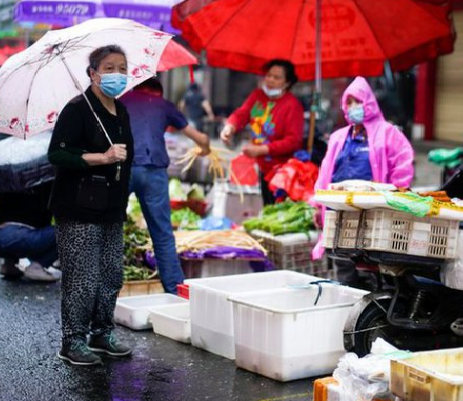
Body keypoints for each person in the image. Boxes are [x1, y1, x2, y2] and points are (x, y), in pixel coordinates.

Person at [48, 45, 135, 366]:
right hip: (78, 207)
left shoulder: (121, 110)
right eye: (109, 68)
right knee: (82, 277)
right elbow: (57, 154)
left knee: (111, 274)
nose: (117, 74)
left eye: (122, 67)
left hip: (112, 207)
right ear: (93, 73)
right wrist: (102, 157)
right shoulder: (76, 110)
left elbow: (127, 158)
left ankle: (101, 333)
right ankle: (73, 340)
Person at [313, 76, 415, 287]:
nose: (352, 107)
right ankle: (347, 306)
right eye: (348, 102)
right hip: (338, 212)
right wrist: (317, 205)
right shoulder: (338, 137)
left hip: (372, 214)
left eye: (357, 101)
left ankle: (373, 309)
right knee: (342, 263)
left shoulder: (388, 133)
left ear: (369, 102)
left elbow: (403, 166)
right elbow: (325, 173)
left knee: (372, 265)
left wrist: (394, 197)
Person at [120, 78, 210, 294]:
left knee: (111, 228)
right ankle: (175, 289)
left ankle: (106, 286)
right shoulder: (164, 105)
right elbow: (200, 138)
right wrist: (205, 148)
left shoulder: (121, 100)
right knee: (162, 233)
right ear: (157, 92)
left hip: (123, 168)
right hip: (154, 172)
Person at [220, 59, 304, 205]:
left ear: (288, 83)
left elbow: (293, 141)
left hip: (282, 171)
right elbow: (242, 113)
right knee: (266, 205)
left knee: (276, 209)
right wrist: (230, 127)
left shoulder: (292, 105)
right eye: (269, 75)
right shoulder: (257, 96)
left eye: (277, 77)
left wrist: (262, 150)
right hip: (262, 168)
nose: (270, 80)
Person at [0, 182, 60, 282]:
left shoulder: (5, 180)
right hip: (19, 239)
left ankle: (9, 264)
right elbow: (44, 219)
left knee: (14, 229)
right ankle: (37, 266)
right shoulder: (43, 183)